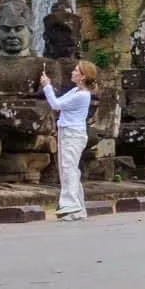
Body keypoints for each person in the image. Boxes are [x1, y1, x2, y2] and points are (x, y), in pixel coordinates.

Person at [40, 61, 98, 221]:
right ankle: (78, 209)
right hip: (66, 132)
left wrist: (46, 86)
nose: (72, 72)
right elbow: (60, 103)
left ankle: (70, 204)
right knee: (68, 169)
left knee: (68, 169)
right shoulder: (75, 90)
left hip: (73, 134)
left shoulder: (82, 95)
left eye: (75, 70)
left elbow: (56, 105)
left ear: (83, 76)